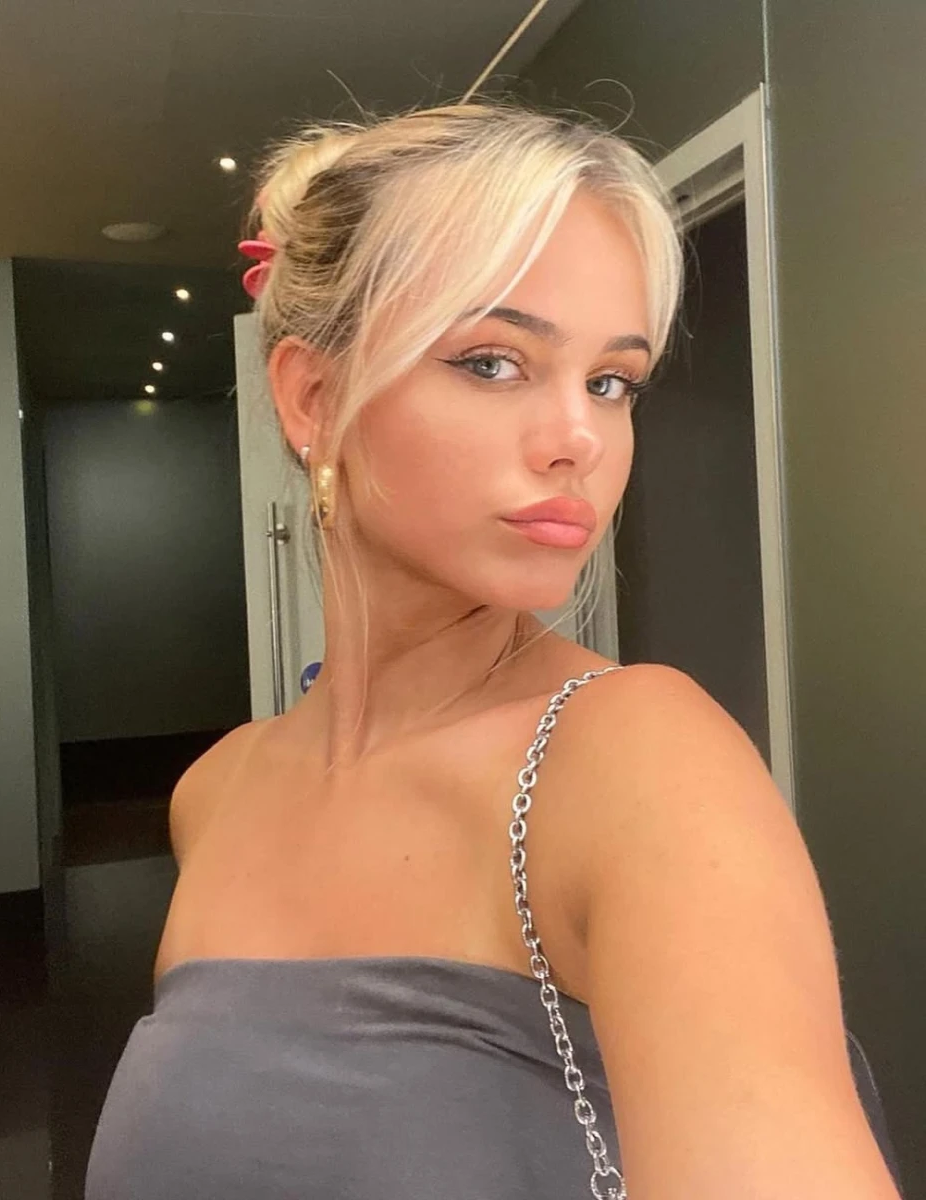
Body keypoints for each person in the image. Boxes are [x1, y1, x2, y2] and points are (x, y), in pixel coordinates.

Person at [85, 102, 901, 1199]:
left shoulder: (633, 761)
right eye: (493, 362)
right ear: (313, 398)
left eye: (611, 382)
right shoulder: (215, 795)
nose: (579, 440)